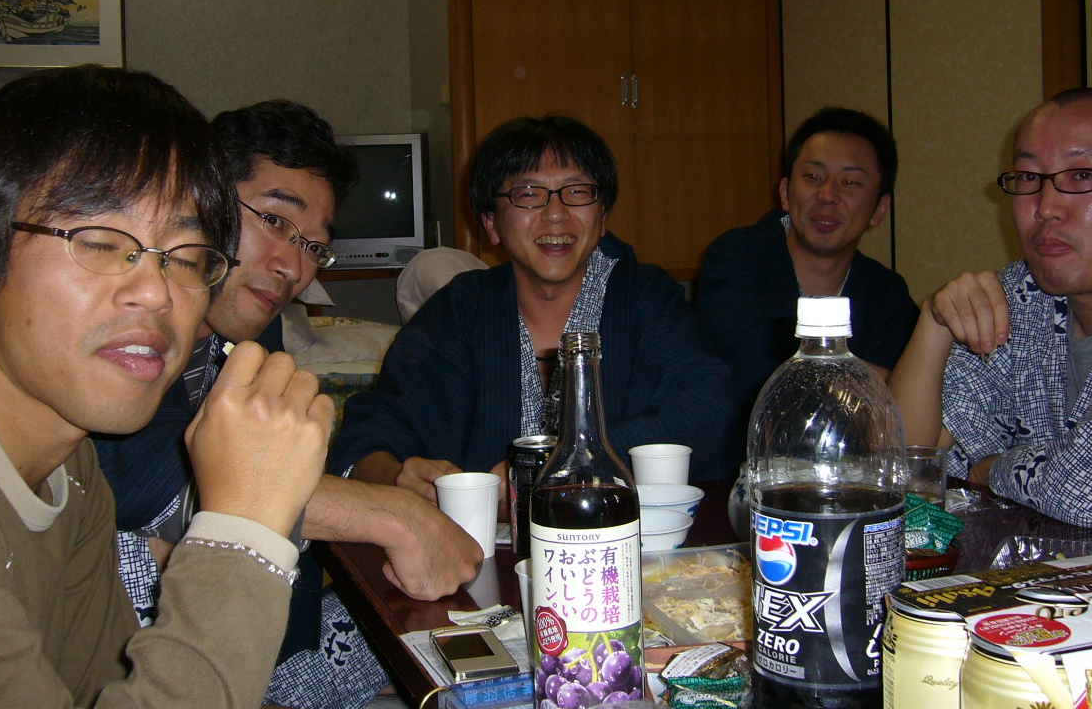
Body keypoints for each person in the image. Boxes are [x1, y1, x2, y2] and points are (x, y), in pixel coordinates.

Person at [0, 66, 333, 706]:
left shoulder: (68, 466)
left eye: (184, 257)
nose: (157, 292)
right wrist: (244, 532)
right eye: (98, 242)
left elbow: (101, 686)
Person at [95, 100, 481, 709]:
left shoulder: (245, 329)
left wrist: (390, 488)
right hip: (157, 657)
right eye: (275, 221)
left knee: (474, 634)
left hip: (272, 646)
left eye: (313, 247)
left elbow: (277, 464)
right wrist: (392, 516)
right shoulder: (133, 318)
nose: (293, 268)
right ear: (202, 200)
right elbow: (156, 482)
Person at [332, 114, 744, 494]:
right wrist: (398, 476)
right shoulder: (460, 309)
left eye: (577, 192)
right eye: (528, 194)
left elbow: (707, 412)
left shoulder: (647, 297)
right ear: (491, 223)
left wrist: (553, 469)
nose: (556, 214)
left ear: (602, 217)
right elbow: (373, 430)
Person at [890, 88, 1092, 533]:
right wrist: (934, 324)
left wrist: (991, 470)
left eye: (1082, 176)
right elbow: (900, 463)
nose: (1046, 208)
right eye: (1030, 177)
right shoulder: (1019, 298)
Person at [696, 107, 918, 413]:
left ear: (880, 209)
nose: (828, 195)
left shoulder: (887, 293)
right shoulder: (735, 258)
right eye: (813, 177)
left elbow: (921, 396)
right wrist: (884, 384)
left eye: (850, 182)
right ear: (785, 192)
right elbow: (757, 363)